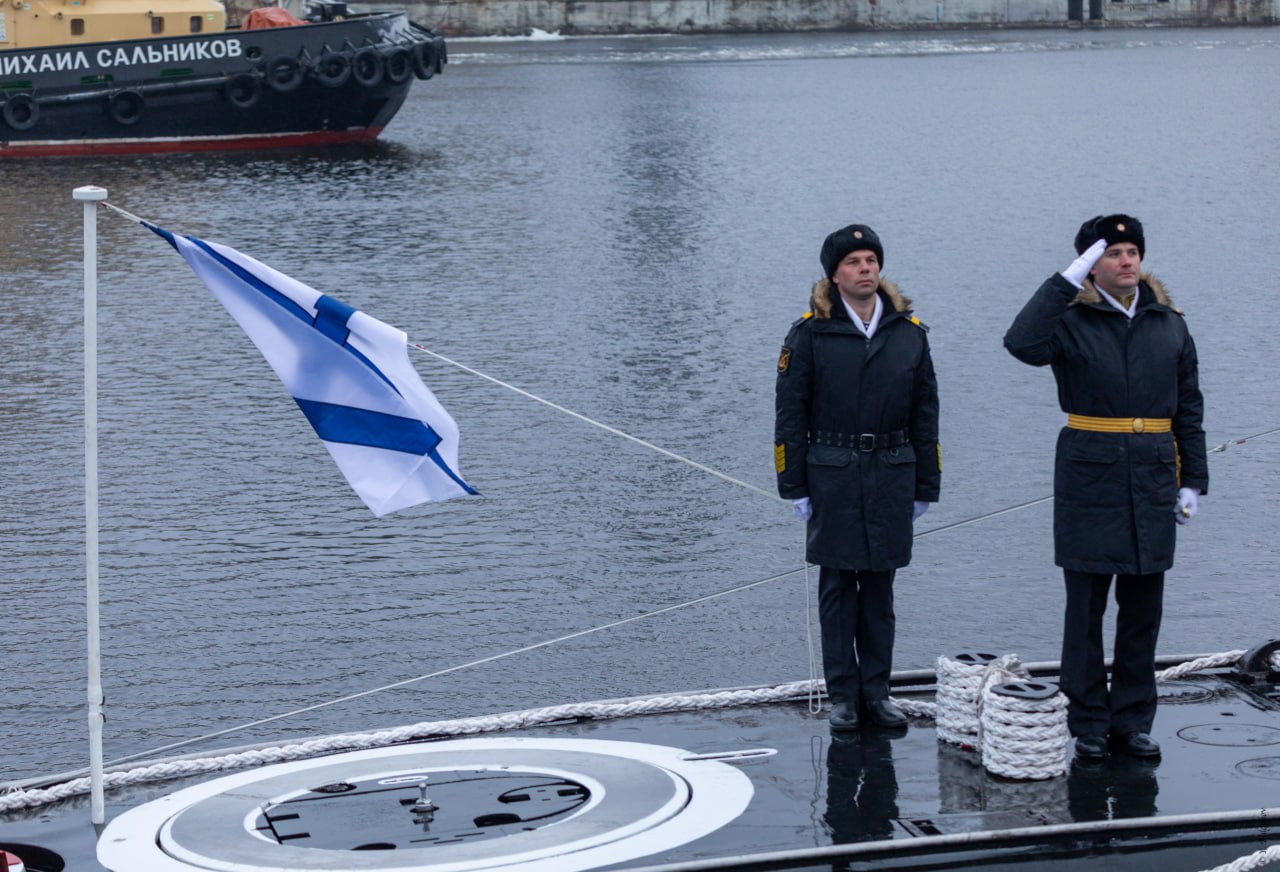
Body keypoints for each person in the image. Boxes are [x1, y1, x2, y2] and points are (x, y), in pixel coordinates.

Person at [1004, 214, 1208, 760]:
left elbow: (1189, 407)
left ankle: (1133, 720)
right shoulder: (1069, 322)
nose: (1127, 260)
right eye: (1113, 252)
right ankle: (1089, 721)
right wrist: (1062, 284)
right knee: (1086, 607)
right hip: (1089, 471)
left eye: (1132, 251)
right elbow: (1020, 343)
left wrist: (1194, 482)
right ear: (1091, 264)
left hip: (1152, 473)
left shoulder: (1169, 322)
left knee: (1143, 609)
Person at [774, 223, 941, 731]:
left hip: (892, 471)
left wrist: (925, 484)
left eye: (870, 261)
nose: (865, 270)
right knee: (839, 588)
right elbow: (789, 414)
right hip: (834, 473)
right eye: (853, 262)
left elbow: (926, 412)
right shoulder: (810, 334)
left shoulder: (908, 334)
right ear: (835, 275)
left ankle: (877, 691)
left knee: (880, 590)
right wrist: (794, 484)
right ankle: (843, 694)